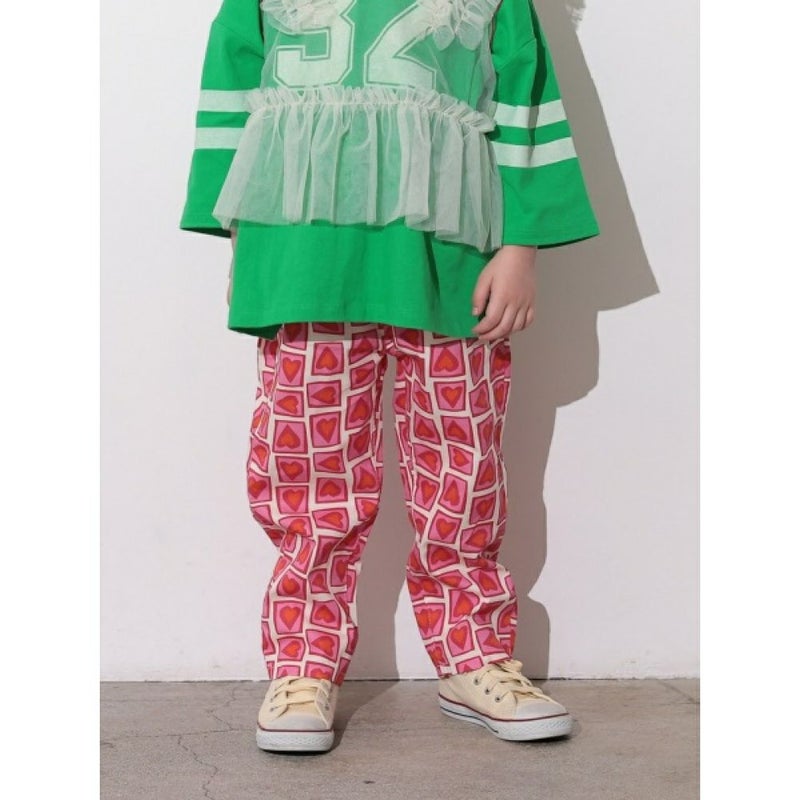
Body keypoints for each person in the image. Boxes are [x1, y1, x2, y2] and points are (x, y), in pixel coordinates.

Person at [180, 0, 599, 753]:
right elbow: (232, 91)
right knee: (310, 470)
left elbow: (525, 98)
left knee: (462, 468)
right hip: (303, 259)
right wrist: (243, 238)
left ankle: (473, 655)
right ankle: (304, 663)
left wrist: (521, 249)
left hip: (452, 257)